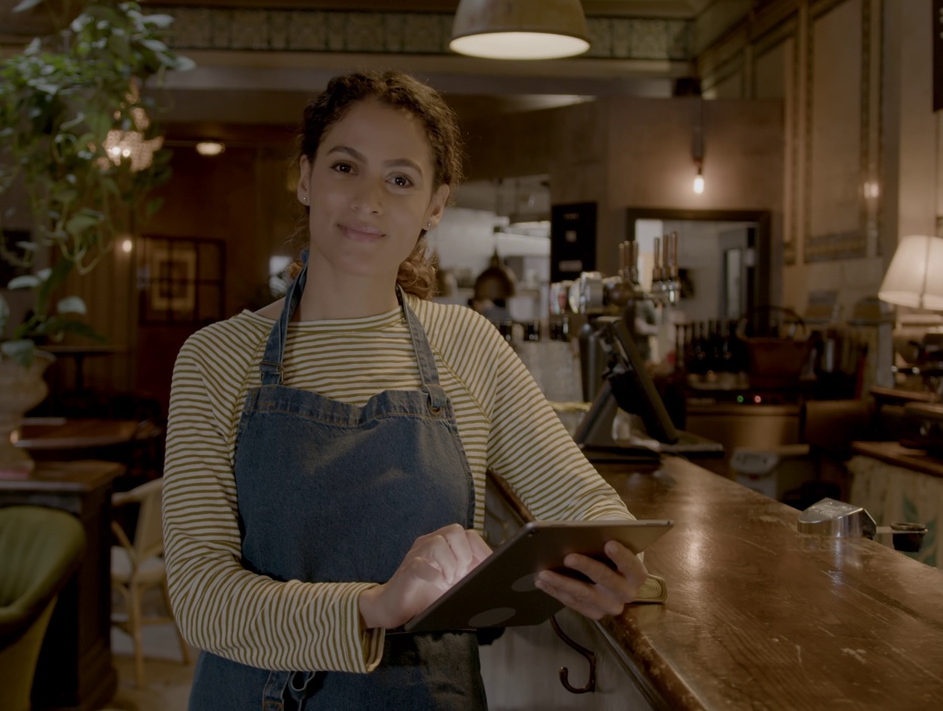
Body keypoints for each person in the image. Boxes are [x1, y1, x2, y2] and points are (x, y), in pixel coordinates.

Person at [163, 70, 665, 711]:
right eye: (346, 167)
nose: (370, 200)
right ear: (305, 177)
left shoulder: (469, 345)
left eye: (400, 179)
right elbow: (201, 600)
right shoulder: (215, 358)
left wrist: (615, 565)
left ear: (436, 204)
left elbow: (581, 504)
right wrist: (374, 605)